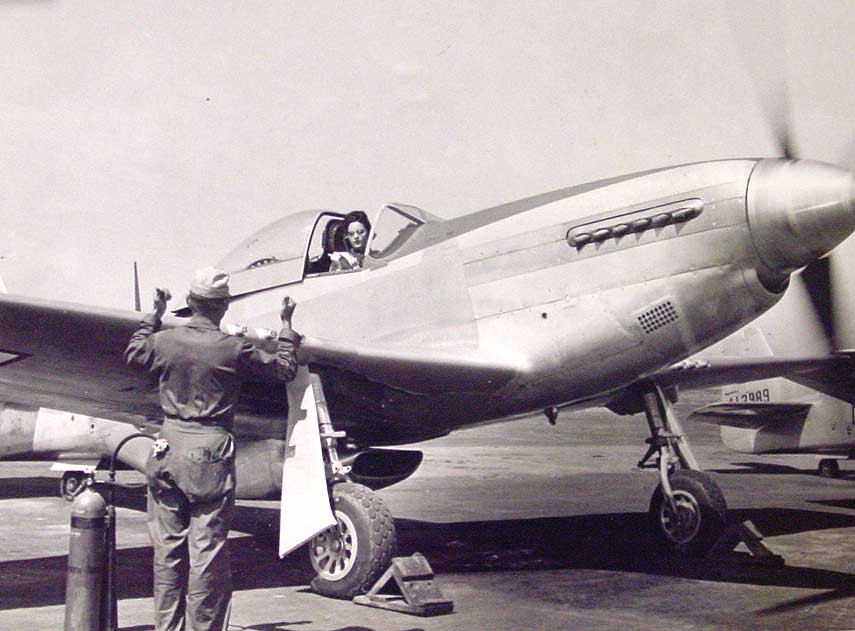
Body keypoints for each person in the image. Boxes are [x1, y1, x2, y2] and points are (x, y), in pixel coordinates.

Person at [124, 267, 301, 631]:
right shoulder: (232, 348)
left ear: (189, 303)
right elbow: (285, 369)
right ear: (223, 307)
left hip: (167, 447)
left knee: (167, 553)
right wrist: (286, 326)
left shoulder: (165, 341)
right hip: (210, 453)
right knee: (206, 553)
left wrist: (155, 314)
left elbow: (135, 353)